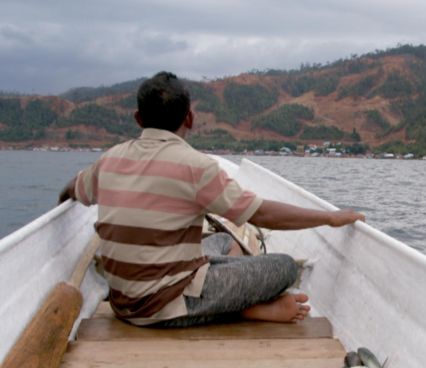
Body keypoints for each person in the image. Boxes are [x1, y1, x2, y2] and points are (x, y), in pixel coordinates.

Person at [58, 71, 364, 327]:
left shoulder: (109, 159)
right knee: (283, 267)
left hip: (122, 302)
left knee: (221, 242)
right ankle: (244, 309)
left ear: (138, 118)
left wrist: (62, 199)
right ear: (189, 118)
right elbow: (261, 214)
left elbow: (73, 188)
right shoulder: (196, 166)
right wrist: (328, 217)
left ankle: (228, 298)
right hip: (161, 309)